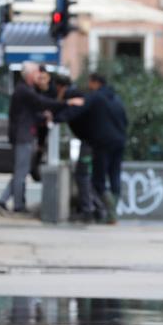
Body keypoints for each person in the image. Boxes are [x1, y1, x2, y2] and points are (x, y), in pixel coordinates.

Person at [58, 71, 128, 224]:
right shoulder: (117, 99)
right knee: (115, 177)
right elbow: (125, 120)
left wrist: (58, 116)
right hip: (120, 141)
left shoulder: (95, 97)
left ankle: (110, 213)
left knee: (98, 180)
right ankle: (112, 214)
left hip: (102, 142)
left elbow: (78, 110)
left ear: (95, 83)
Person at [1, 62, 55, 214]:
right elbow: (40, 102)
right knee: (21, 172)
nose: (39, 76)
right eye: (37, 73)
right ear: (31, 75)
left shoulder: (26, 89)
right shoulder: (24, 90)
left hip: (25, 135)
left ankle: (3, 200)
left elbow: (34, 110)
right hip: (22, 136)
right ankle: (18, 205)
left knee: (21, 171)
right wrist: (64, 103)